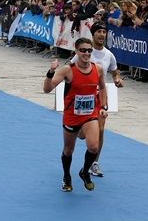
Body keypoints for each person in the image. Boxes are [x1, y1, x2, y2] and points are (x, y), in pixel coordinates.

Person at [43, 37, 108, 192]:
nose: (87, 53)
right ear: (76, 52)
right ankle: (66, 176)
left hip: (89, 114)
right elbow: (47, 89)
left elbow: (103, 88)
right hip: (72, 115)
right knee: (68, 150)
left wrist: (103, 106)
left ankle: (85, 172)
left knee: (93, 147)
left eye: (89, 50)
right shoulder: (68, 70)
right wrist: (51, 72)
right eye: (83, 50)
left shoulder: (97, 69)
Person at [70, 22, 124, 177]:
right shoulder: (85, 52)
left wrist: (118, 80)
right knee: (81, 134)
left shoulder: (109, 55)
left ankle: (94, 163)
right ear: (93, 34)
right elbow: (69, 69)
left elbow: (115, 73)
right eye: (99, 32)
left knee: (100, 130)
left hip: (99, 99)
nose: (102, 34)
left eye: (104, 32)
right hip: (83, 97)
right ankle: (82, 132)